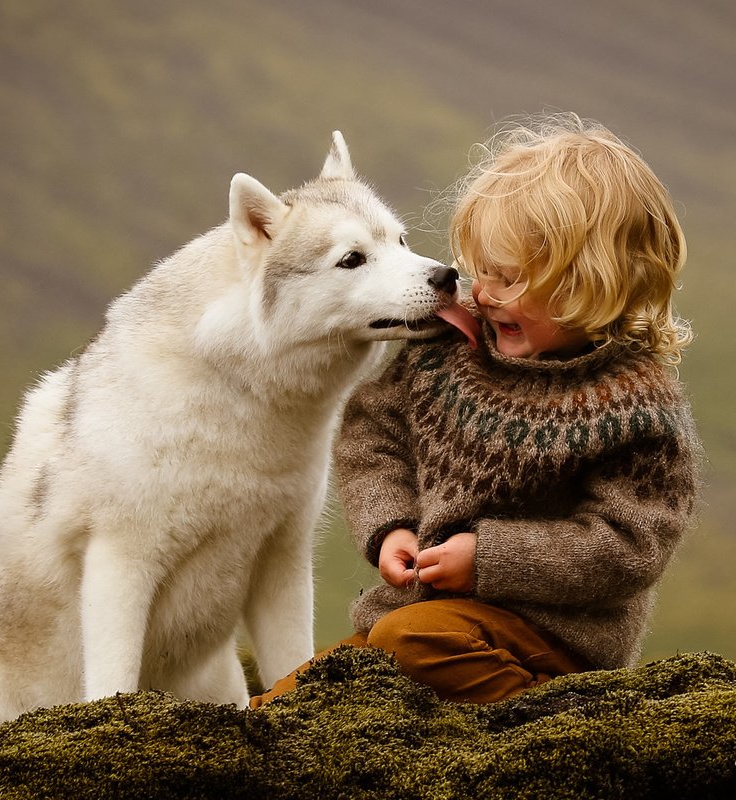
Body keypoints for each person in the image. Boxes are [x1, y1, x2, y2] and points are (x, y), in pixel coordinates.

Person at [251, 113, 701, 707]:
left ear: (592, 284)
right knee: (282, 706)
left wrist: (488, 561)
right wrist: (391, 527)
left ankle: (556, 722)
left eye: (508, 278)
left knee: (410, 644)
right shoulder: (451, 346)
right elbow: (372, 433)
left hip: (548, 636)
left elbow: (626, 547)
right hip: (414, 616)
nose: (481, 293)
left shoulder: (638, 409)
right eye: (479, 269)